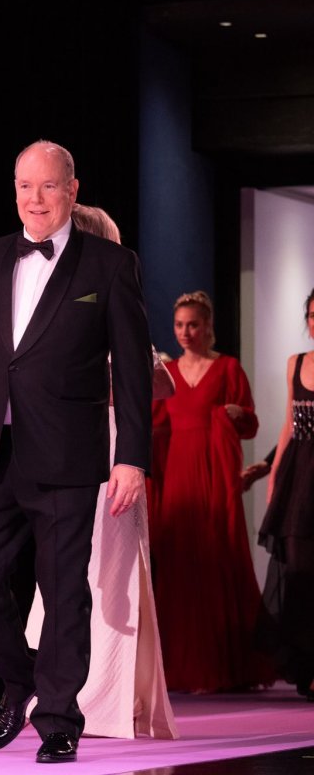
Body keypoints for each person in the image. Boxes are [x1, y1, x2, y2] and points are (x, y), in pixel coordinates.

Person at [0, 141, 153, 764]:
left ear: (72, 191)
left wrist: (132, 457)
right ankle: (20, 677)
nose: (35, 198)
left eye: (48, 186)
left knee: (62, 590)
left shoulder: (110, 264)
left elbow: (134, 371)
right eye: (25, 186)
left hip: (67, 454)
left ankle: (59, 719)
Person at [22, 203, 178, 740]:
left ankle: (110, 694)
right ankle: (60, 692)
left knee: (112, 568)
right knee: (66, 566)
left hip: (112, 443)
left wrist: (105, 379)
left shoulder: (108, 290)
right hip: (63, 443)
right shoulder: (46, 300)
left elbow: (162, 384)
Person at [149, 290, 273, 693]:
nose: (185, 332)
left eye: (193, 325)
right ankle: (182, 667)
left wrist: (237, 415)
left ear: (208, 326)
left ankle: (223, 666)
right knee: (180, 567)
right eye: (179, 325)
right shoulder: (167, 372)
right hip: (178, 478)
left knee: (218, 559)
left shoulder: (228, 368)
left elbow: (250, 424)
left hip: (215, 479)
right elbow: (153, 425)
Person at [257, 287, 314, 699]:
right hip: (300, 476)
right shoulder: (296, 362)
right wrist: (274, 472)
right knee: (298, 573)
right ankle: (306, 666)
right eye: (312, 315)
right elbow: (289, 424)